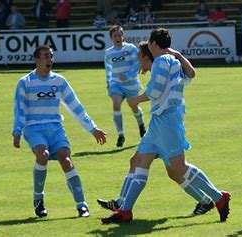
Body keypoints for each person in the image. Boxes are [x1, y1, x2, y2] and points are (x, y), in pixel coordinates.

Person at [101, 28, 230, 224]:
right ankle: (125, 210)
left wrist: (136, 100)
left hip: (168, 120)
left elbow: (155, 90)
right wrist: (177, 54)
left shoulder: (161, 60)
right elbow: (192, 74)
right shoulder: (173, 60)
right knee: (140, 161)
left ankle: (219, 197)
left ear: (153, 44)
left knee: (179, 168)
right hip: (159, 121)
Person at [12, 45, 107, 218]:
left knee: (67, 161)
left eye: (51, 56)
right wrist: (17, 131)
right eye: (46, 56)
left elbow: (75, 106)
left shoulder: (59, 81)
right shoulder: (25, 82)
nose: (50, 60)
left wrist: (93, 129)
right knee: (43, 155)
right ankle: (38, 200)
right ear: (37, 60)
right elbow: (20, 109)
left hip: (55, 128)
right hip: (34, 128)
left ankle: (82, 205)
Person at [104, 26, 146, 148]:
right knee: (116, 104)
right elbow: (108, 68)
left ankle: (141, 125)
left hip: (131, 84)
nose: (118, 38)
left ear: (123, 36)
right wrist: (109, 81)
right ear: (111, 38)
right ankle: (121, 135)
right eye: (115, 36)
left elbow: (137, 63)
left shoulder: (130, 48)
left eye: (119, 35)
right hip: (116, 84)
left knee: (134, 107)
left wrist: (127, 75)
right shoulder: (108, 52)